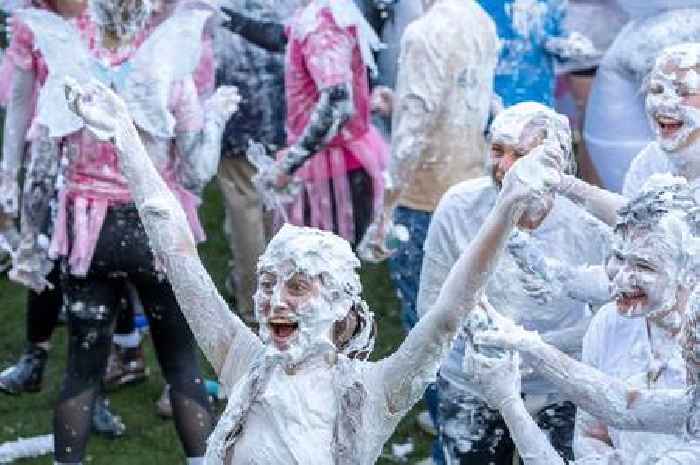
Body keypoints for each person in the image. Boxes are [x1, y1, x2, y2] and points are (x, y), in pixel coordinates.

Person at [64, 70, 568, 464]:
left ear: (341, 307)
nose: (275, 299)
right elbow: (178, 254)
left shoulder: (378, 389)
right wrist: (126, 138)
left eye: (299, 286)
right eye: (267, 284)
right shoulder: (242, 361)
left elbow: (449, 310)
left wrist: (505, 211)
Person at [9, 1, 240, 463]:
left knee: (81, 368)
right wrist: (215, 115)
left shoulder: (70, 70)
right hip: (154, 236)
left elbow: (39, 171)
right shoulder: (166, 66)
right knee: (180, 364)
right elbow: (196, 171)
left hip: (86, 239)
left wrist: (30, 248)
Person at [417, 102, 610, 464]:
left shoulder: (585, 223)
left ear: (557, 162)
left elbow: (608, 320)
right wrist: (482, 343)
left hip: (559, 383)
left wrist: (534, 349)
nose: (504, 167)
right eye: (497, 150)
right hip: (471, 380)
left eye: (521, 154)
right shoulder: (458, 207)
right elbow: (430, 304)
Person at [472, 176, 700, 464]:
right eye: (618, 256)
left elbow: (621, 406)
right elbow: (597, 426)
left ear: (689, 272)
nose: (620, 277)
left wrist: (509, 398)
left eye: (643, 265)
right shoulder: (610, 323)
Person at [0, 0, 126, 437]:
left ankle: (95, 389)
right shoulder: (30, 24)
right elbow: (19, 103)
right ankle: (34, 358)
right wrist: (7, 178)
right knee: (46, 266)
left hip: (102, 171)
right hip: (49, 165)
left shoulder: (108, 16)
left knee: (97, 277)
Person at [221, 0, 389, 245]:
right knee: (321, 266)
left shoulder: (322, 25)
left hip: (334, 166)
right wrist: (228, 20)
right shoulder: (322, 13)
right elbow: (281, 36)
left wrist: (288, 165)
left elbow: (337, 103)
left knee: (322, 266)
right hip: (334, 157)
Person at [213, 0, 302, 324]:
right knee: (272, 200)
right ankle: (283, 290)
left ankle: (256, 302)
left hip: (237, 95)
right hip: (282, 93)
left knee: (245, 208)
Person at [584, 3, 700, 192]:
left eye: (682, 92)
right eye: (656, 90)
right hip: (636, 43)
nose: (664, 103)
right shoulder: (648, 162)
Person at [477, 0, 597, 108]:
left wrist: (568, 45)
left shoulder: (552, 3)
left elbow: (558, 32)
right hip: (491, 94)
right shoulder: (480, 5)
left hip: (537, 93)